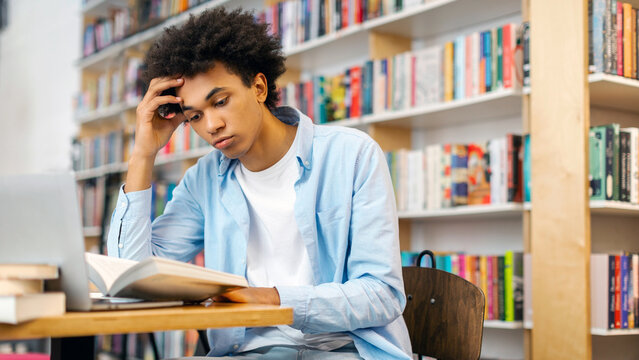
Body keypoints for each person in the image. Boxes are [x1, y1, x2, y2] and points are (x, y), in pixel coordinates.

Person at [107, 6, 411, 360]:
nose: (212, 125)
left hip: (347, 350)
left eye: (220, 101)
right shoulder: (203, 180)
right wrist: (143, 154)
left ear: (259, 86)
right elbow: (132, 281)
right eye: (195, 116)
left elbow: (382, 294)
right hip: (246, 352)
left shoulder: (353, 156)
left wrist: (271, 298)